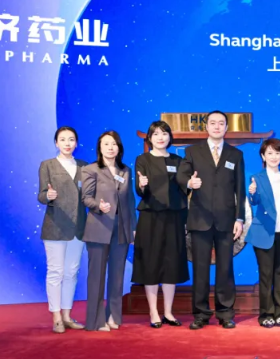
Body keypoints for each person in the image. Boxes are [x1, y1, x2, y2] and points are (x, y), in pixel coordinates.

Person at [177, 110, 245, 330]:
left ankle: (225, 313)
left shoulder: (235, 154)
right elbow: (181, 175)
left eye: (221, 123)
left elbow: (240, 189)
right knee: (200, 270)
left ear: (226, 128)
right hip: (200, 219)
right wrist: (190, 183)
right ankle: (201, 314)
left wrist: (240, 218)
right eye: (213, 123)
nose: (217, 127)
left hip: (226, 221)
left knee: (225, 269)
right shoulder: (192, 151)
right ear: (206, 127)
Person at [133, 121, 188, 329]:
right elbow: (139, 190)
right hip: (151, 217)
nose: (160, 137)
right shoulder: (143, 160)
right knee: (151, 262)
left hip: (174, 217)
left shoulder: (178, 160)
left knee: (171, 263)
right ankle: (153, 312)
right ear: (149, 138)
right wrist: (142, 185)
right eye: (155, 134)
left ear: (170, 137)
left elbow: (184, 189)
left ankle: (168, 312)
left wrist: (191, 185)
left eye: (164, 133)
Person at [81, 131, 137, 332]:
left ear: (119, 147)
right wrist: (98, 206)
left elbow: (130, 201)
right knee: (96, 276)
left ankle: (113, 316)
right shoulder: (90, 169)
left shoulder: (125, 170)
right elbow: (86, 197)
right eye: (106, 144)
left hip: (121, 229)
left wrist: (133, 228)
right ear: (100, 147)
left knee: (117, 275)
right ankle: (95, 321)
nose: (111, 147)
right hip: (99, 228)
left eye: (114, 144)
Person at [37, 126, 88, 334]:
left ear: (76, 143)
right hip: (56, 226)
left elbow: (89, 195)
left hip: (78, 227)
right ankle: (56, 316)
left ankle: (67, 315)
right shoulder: (47, 165)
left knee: (71, 272)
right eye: (63, 139)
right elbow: (41, 195)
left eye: (71, 139)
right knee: (55, 272)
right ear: (56, 143)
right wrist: (47, 196)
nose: (67, 143)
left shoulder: (84, 166)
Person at [247, 139, 280, 328]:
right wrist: (252, 193)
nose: (274, 157)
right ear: (263, 156)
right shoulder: (256, 178)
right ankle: (266, 313)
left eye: (277, 153)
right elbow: (254, 201)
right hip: (263, 233)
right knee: (266, 275)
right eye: (269, 153)